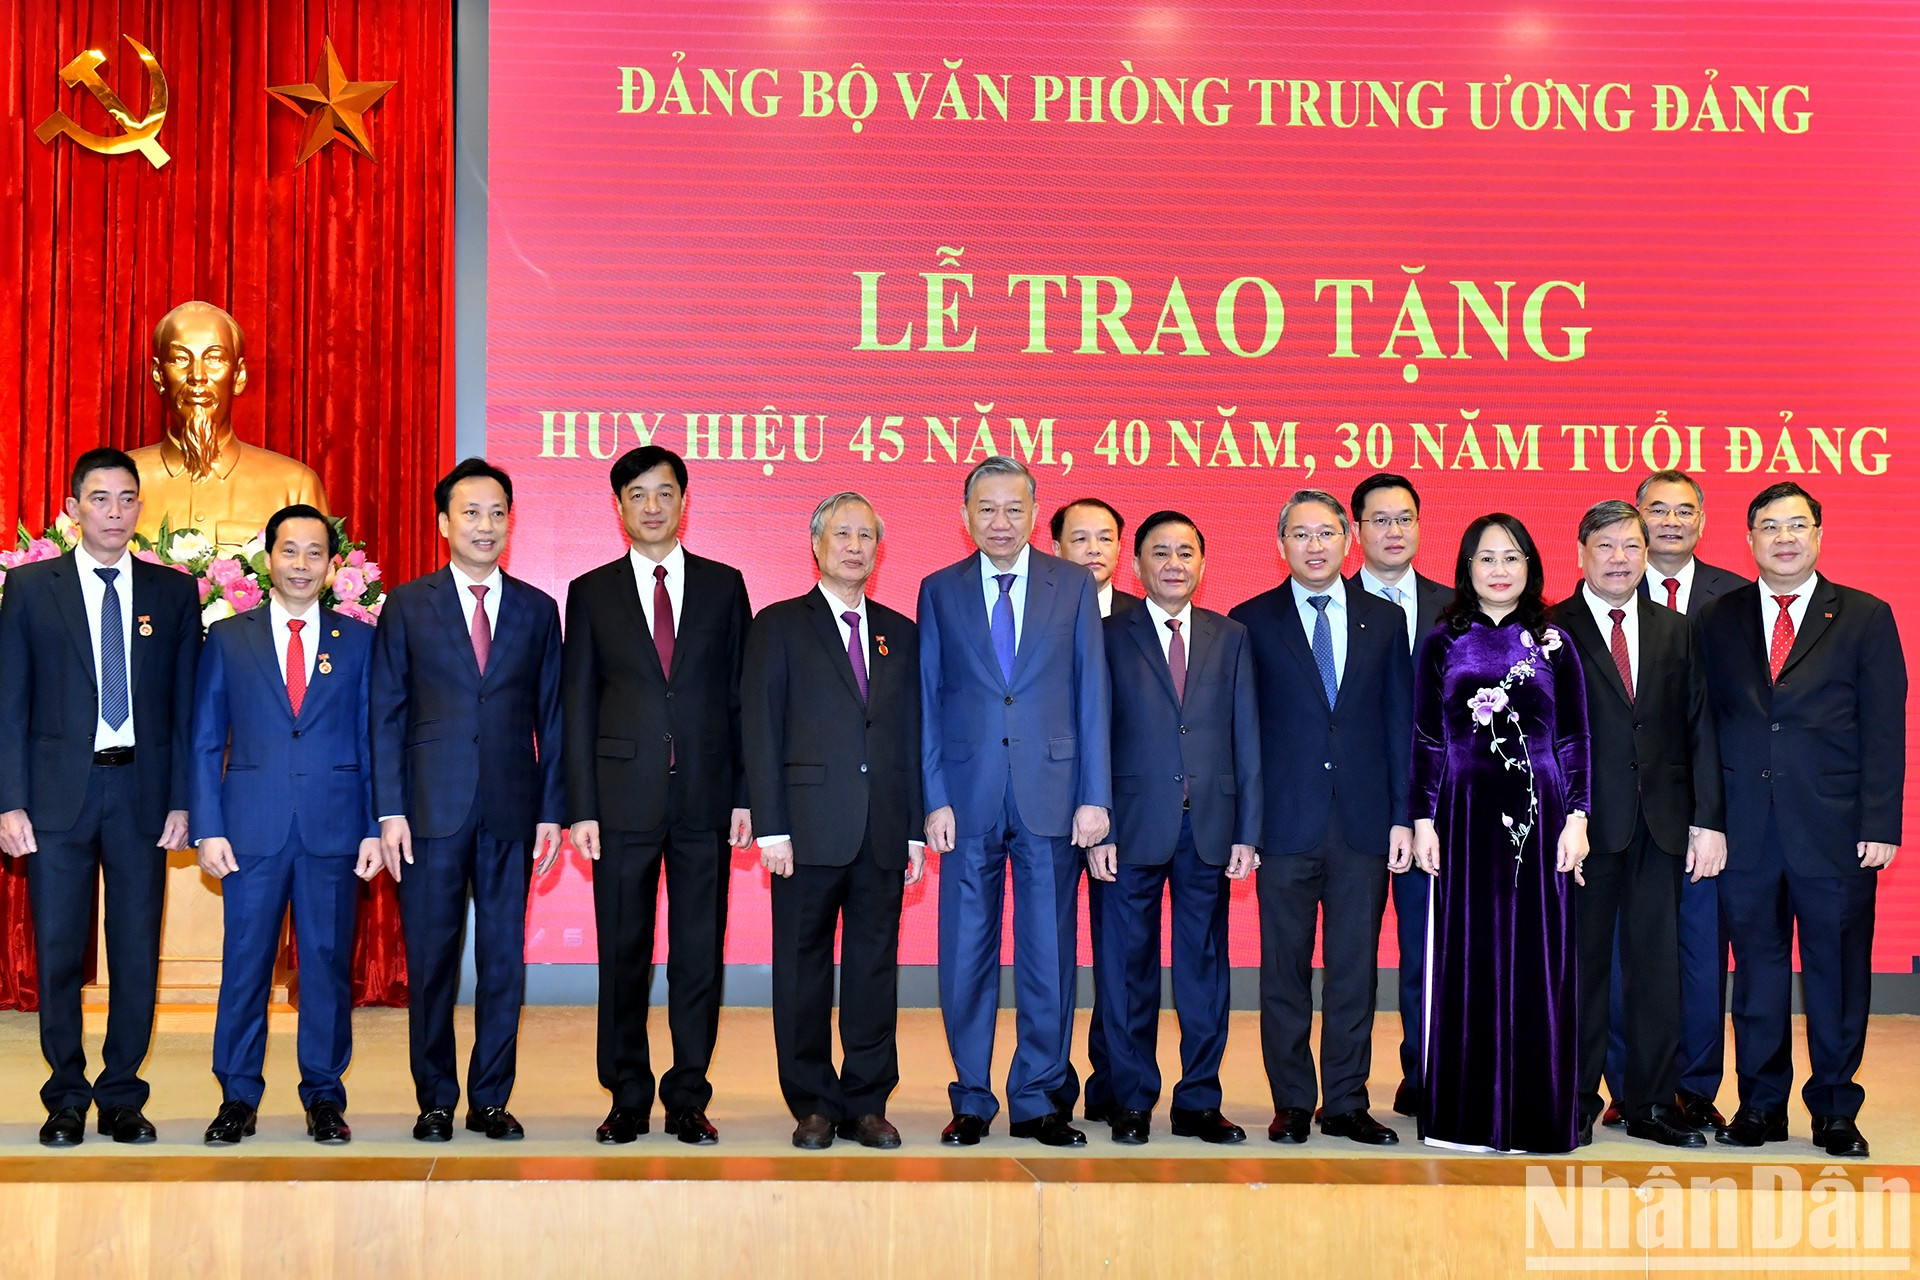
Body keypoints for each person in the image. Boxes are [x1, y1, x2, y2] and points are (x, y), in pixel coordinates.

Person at [1695, 482, 1905, 1159]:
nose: (1784, 538)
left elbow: (1884, 728)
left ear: (1819, 533)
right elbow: (1703, 727)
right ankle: (1759, 1106)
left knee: (1836, 976)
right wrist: (1710, 819)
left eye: (1798, 525)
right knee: (1755, 974)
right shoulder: (1717, 618)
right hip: (1746, 831)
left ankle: (1836, 1110)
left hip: (1838, 831)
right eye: (1769, 527)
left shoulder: (1866, 616)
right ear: (1749, 538)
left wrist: (1880, 822)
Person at [0, 448, 200, 1146]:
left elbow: (186, 711)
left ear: (141, 509)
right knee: (58, 948)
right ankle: (64, 1094)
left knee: (136, 951)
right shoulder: (31, 590)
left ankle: (121, 1094)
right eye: (100, 498)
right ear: (73, 508)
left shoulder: (173, 595)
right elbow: (10, 704)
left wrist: (184, 800)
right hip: (57, 799)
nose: (114, 512)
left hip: (142, 795)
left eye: (126, 499)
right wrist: (9, 801)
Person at [370, 458, 565, 1142]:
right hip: (428, 813)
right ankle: (434, 1097)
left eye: (498, 512)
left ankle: (490, 1097)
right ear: (444, 523)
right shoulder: (408, 604)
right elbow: (385, 714)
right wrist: (388, 810)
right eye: (472, 512)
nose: (486, 525)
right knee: (431, 960)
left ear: (512, 522)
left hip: (512, 809)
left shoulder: (539, 610)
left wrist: (551, 811)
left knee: (504, 961)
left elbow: (554, 717)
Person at [919, 455, 1111, 1148]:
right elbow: (929, 702)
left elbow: (1092, 692)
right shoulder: (939, 590)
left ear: (1035, 513)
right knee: (964, 954)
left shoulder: (1073, 586)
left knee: (1048, 955)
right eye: (986, 509)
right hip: (967, 801)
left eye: (1013, 509)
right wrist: (933, 796)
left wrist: (1096, 796)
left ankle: (1035, 1096)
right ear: (965, 516)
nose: (1000, 522)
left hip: (1054, 797)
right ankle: (971, 1095)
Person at [564, 445, 753, 1145]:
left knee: (699, 954)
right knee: (624, 954)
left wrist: (745, 793)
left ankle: (688, 1095)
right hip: (619, 803)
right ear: (618, 507)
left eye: (664, 493)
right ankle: (626, 1095)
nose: (652, 506)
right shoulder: (590, 592)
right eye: (637, 495)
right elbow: (576, 706)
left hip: (705, 800)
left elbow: (742, 700)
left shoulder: (724, 586)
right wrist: (580, 805)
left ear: (684, 501)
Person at [192, 505, 384, 1145]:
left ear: (333, 567)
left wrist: (372, 827)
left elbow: (371, 738)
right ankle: (237, 1096)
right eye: (289, 551)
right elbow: (203, 741)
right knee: (245, 965)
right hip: (249, 831)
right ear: (267, 559)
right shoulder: (228, 638)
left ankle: (324, 1097)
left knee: (326, 967)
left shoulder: (359, 642)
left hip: (334, 829)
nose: (301, 565)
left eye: (314, 553)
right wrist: (207, 827)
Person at [742, 492, 924, 1150]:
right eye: (841, 534)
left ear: (879, 549)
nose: (854, 546)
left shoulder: (899, 633)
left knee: (875, 968)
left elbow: (909, 735)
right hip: (807, 831)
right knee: (802, 968)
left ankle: (867, 1101)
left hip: (881, 831)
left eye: (865, 536)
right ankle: (813, 1102)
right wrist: (770, 827)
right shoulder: (779, 625)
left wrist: (913, 830)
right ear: (815, 545)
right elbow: (759, 729)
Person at [1232, 490, 1410, 1146]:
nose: (1315, 546)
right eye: (1301, 535)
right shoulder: (1248, 621)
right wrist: (1244, 827)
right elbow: (1241, 735)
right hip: (1282, 827)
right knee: (1283, 969)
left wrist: (1401, 816)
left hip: (1363, 826)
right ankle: (1291, 1100)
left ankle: (1345, 1100)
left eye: (1327, 533)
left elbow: (1398, 724)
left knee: (1354, 969)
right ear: (1281, 546)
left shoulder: (1384, 621)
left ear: (1348, 541)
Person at [1409, 513, 1590, 1154]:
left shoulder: (1554, 641)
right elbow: (1428, 736)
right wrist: (1423, 819)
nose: (1499, 570)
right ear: (1467, 567)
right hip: (1461, 810)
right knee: (1467, 953)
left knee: (1538, 956)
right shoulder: (1441, 641)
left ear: (1531, 567)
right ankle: (1464, 1117)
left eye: (1512, 557)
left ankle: (1532, 1118)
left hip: (1539, 813)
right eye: (1486, 558)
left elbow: (1573, 737)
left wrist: (1579, 816)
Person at [1549, 500, 1725, 1148]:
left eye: (1631, 546)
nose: (1620, 559)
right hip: (1581, 832)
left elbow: (1698, 728)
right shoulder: (1549, 630)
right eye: (1606, 546)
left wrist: (1708, 821)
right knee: (1579, 972)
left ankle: (1650, 1101)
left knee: (1656, 971)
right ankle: (1570, 1099)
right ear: (1581, 554)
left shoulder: (1676, 630)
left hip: (1661, 824)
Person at [1091, 510, 1259, 1145]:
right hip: (1128, 827)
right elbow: (1093, 732)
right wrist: (1097, 822)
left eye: (1185, 552)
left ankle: (1198, 1101)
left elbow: (1247, 737)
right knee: (1126, 971)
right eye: (1159, 553)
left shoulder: (1230, 636)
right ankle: (1132, 1099)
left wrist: (1249, 829)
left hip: (1209, 828)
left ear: (1202, 564)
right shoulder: (1106, 634)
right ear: (1136, 565)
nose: (1173, 564)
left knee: (1203, 972)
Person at [1610, 468, 1746, 1134]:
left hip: (1703, 813)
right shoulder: (1602, 598)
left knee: (1697, 952)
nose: (1669, 522)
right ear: (1635, 521)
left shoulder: (1736, 599)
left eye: (1683, 510)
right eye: (1655, 510)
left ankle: (1692, 1085)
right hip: (1619, 815)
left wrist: (1712, 815)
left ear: (1702, 521)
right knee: (1616, 954)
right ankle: (1624, 1080)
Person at [1348, 471, 1449, 1119]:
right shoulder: (1325, 602)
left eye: (1404, 518)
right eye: (1379, 519)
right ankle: (1345, 1088)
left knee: (1431, 954)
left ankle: (1429, 1074)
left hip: (1440, 813)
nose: (1393, 530)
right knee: (1351, 958)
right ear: (1356, 530)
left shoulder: (1454, 606)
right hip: (1354, 813)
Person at [1047, 495, 1135, 1124]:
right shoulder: (1040, 614)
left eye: (1106, 538)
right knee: (1050, 949)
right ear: (1055, 550)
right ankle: (1052, 1082)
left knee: (1118, 954)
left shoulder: (1142, 619)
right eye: (1080, 539)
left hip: (1124, 813)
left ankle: (1111, 1080)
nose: (1094, 550)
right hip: (1046, 806)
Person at [128, 300, 328, 547]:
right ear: (158, 375)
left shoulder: (295, 486)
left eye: (214, 358)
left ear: (238, 376)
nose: (197, 376)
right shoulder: (115, 484)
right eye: (180, 359)